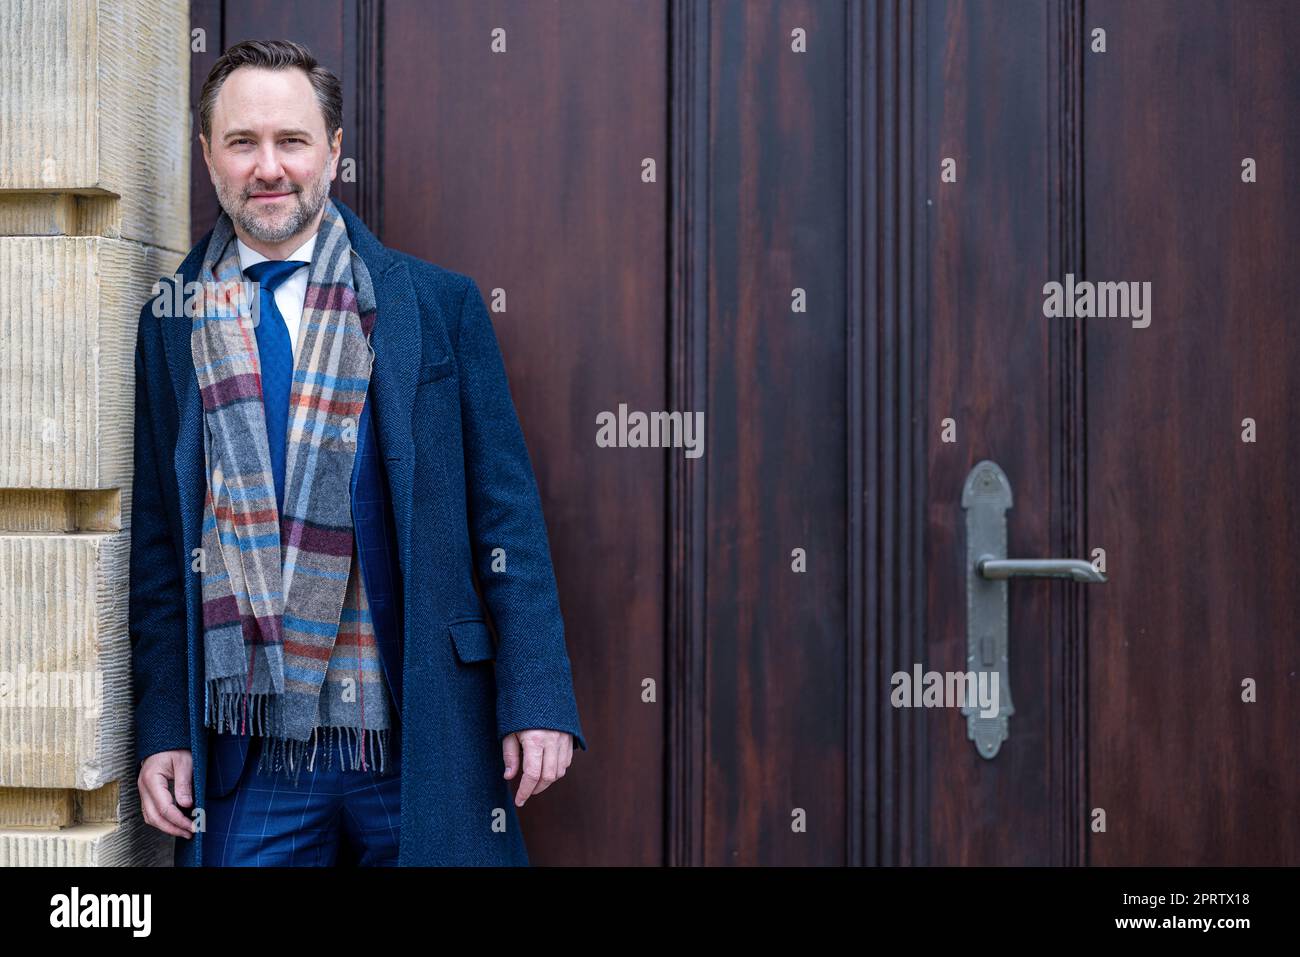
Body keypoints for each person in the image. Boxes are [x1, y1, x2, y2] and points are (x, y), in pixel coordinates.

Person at [130, 39, 586, 866]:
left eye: (292, 141)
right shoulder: (172, 320)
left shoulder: (435, 304)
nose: (269, 167)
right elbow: (161, 544)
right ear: (208, 157)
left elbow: (505, 511)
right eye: (242, 143)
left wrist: (538, 693)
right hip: (248, 750)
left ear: (333, 151)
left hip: (418, 733)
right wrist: (163, 724)